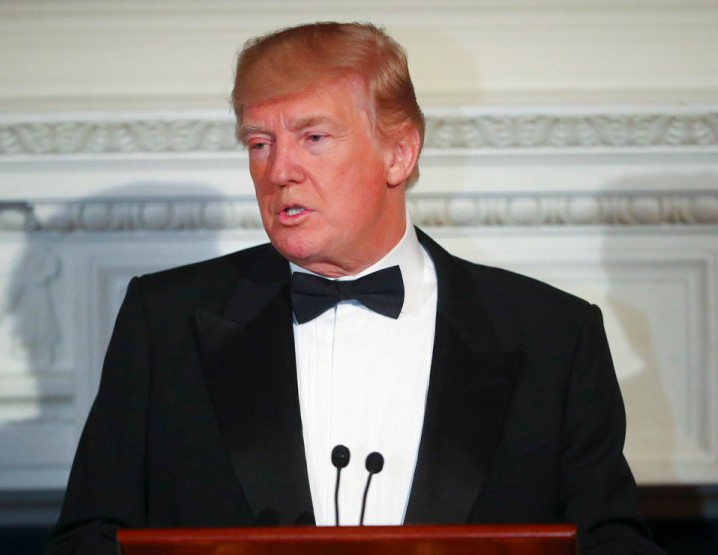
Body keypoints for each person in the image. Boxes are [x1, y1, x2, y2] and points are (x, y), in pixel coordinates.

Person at [46, 22, 664, 554]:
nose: (278, 170)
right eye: (260, 143)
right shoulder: (165, 321)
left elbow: (607, 542)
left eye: (313, 138)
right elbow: (90, 537)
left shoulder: (554, 335)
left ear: (399, 153)